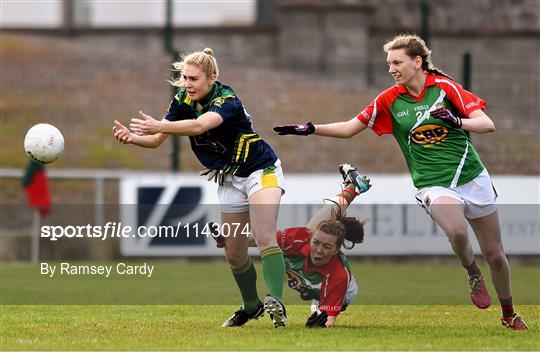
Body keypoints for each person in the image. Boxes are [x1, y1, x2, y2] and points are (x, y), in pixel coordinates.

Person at [273, 34, 528, 330]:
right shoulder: (389, 100)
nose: (391, 69)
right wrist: (310, 128)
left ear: (417, 62)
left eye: (397, 62)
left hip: (472, 178)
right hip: (433, 183)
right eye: (388, 63)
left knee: (496, 256)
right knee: (457, 232)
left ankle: (508, 314)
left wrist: (457, 121)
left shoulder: (445, 88)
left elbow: (487, 124)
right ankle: (472, 271)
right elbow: (349, 128)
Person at [113, 48, 288, 328]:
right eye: (184, 78)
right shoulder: (183, 99)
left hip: (260, 169)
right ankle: (252, 306)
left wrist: (161, 125)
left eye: (193, 79)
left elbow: (198, 127)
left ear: (212, 78)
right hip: (229, 178)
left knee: (264, 233)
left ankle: (276, 302)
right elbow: (157, 140)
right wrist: (133, 138)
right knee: (233, 252)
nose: (187, 84)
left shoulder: (226, 99)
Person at [214, 163, 371, 328]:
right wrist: (233, 240)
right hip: (308, 272)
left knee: (316, 321)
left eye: (326, 247)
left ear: (336, 250)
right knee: (310, 230)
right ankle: (352, 188)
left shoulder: (338, 275)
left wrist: (323, 322)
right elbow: (261, 239)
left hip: (339, 292)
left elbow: (329, 319)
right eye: (316, 243)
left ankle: (352, 188)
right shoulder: (300, 238)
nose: (318, 250)